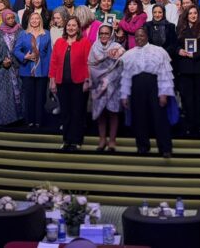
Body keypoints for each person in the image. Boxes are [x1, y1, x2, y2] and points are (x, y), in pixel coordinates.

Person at [120, 28, 175, 158]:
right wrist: (124, 95)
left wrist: (164, 93)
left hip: (155, 86)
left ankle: (165, 148)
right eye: (136, 36)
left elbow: (165, 73)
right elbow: (126, 76)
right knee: (139, 117)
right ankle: (142, 147)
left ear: (147, 36)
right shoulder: (129, 54)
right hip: (136, 87)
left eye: (141, 36)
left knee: (159, 117)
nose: (139, 38)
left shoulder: (159, 51)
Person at [49, 16, 92, 151]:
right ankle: (66, 140)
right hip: (62, 83)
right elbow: (54, 63)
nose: (71, 28)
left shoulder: (85, 42)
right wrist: (52, 81)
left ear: (78, 28)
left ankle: (77, 141)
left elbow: (88, 63)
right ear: (65, 27)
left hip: (79, 83)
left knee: (77, 113)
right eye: (69, 25)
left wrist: (87, 80)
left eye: (74, 25)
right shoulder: (59, 42)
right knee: (65, 113)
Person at [176, 6, 200, 137]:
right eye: (190, 13)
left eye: (195, 13)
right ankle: (189, 127)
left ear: (198, 15)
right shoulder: (180, 29)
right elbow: (175, 45)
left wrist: (195, 55)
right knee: (187, 99)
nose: (193, 15)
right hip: (185, 69)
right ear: (186, 15)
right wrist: (178, 50)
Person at [88, 25, 125, 151]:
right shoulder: (94, 47)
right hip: (98, 85)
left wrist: (108, 79)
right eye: (102, 33)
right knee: (101, 113)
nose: (104, 36)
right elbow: (90, 65)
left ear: (111, 34)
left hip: (113, 85)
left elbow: (121, 67)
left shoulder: (118, 48)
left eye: (106, 33)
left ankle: (112, 141)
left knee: (112, 113)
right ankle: (102, 140)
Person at [14, 11, 52, 127]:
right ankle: (29, 120)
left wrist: (49, 71)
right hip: (27, 70)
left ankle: (39, 120)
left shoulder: (47, 34)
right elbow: (16, 50)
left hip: (42, 70)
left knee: (41, 97)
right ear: (29, 21)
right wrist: (24, 56)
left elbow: (49, 54)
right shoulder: (23, 34)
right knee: (29, 97)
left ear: (40, 20)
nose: (34, 21)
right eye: (32, 19)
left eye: (37, 18)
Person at [0, 10, 24, 126]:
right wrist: (2, 62)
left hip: (16, 67)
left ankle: (18, 117)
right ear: (3, 19)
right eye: (8, 18)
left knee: (17, 93)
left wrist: (14, 60)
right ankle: (3, 119)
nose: (11, 20)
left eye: (13, 18)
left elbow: (23, 47)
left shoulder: (20, 31)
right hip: (1, 69)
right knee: (2, 94)